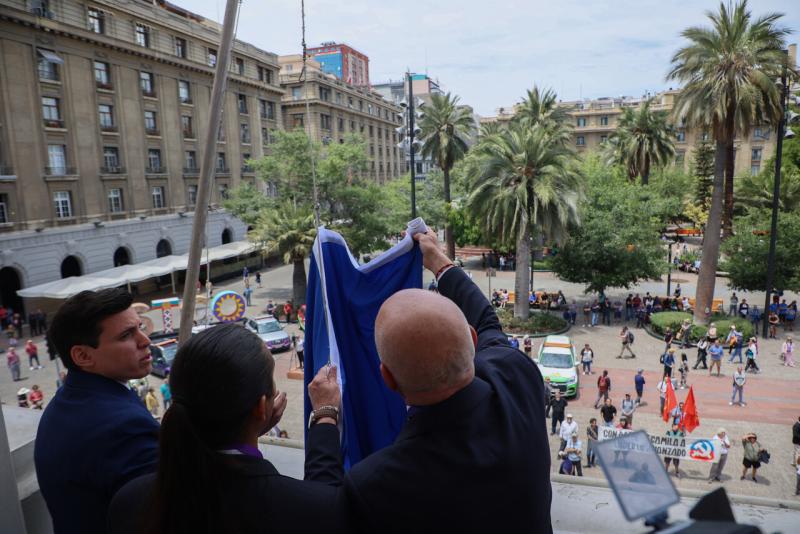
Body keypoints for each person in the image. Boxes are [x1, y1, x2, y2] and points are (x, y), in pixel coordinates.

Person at [332, 227, 552, 533]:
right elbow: (488, 321)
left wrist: (324, 417)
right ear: (472, 341)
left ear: (388, 379)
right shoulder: (517, 378)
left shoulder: (374, 484)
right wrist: (439, 261)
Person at [109, 323, 349, 534]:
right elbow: (323, 503)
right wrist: (325, 415)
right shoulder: (297, 507)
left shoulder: (131, 500)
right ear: (260, 408)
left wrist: (250, 429)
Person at [34, 289, 160, 534]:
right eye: (126, 335)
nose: (145, 340)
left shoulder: (67, 401)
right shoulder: (123, 427)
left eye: (140, 326)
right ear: (82, 355)